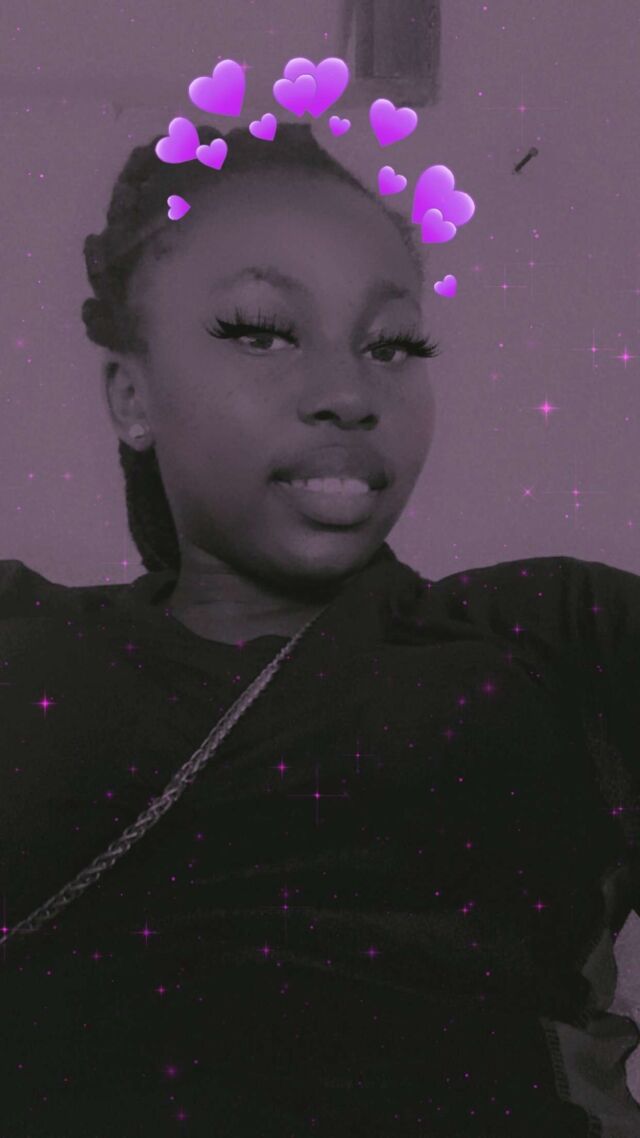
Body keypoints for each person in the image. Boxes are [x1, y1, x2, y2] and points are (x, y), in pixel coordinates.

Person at [1, 120, 639, 1138]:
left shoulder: (553, 634)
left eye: (392, 345)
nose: (350, 395)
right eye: (261, 331)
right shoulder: (23, 644)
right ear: (131, 397)